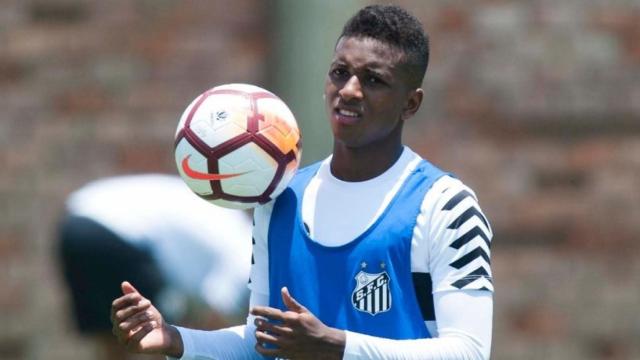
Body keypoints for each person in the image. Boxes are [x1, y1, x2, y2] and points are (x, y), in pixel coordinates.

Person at [111, 5, 494, 359]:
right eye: (340, 73)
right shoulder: (279, 199)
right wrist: (176, 338)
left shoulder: (446, 205)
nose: (349, 91)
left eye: (373, 80)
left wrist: (336, 345)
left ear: (411, 104)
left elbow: (469, 351)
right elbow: (258, 341)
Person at [57, 174, 252, 360]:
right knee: (159, 336)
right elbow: (215, 318)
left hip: (76, 222)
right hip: (119, 233)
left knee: (111, 337)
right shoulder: (243, 253)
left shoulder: (231, 221)